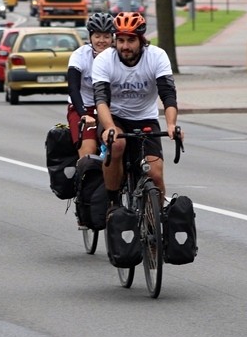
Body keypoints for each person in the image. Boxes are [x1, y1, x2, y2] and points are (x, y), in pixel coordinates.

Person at [91, 11, 183, 209]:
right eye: (121, 40)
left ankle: (157, 223)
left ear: (141, 40)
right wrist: (108, 128)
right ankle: (113, 203)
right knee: (116, 146)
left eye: (131, 40)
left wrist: (171, 124)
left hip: (145, 119)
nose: (125, 46)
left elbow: (168, 95)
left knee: (155, 174)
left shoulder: (157, 56)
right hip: (115, 117)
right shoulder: (104, 60)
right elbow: (101, 100)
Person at [67, 12, 115, 158]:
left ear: (113, 37)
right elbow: (73, 88)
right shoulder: (79, 56)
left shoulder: (119, 56)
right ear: (90, 37)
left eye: (106, 36)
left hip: (111, 108)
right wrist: (83, 115)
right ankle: (84, 178)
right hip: (85, 108)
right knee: (88, 151)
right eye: (97, 36)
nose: (102, 41)